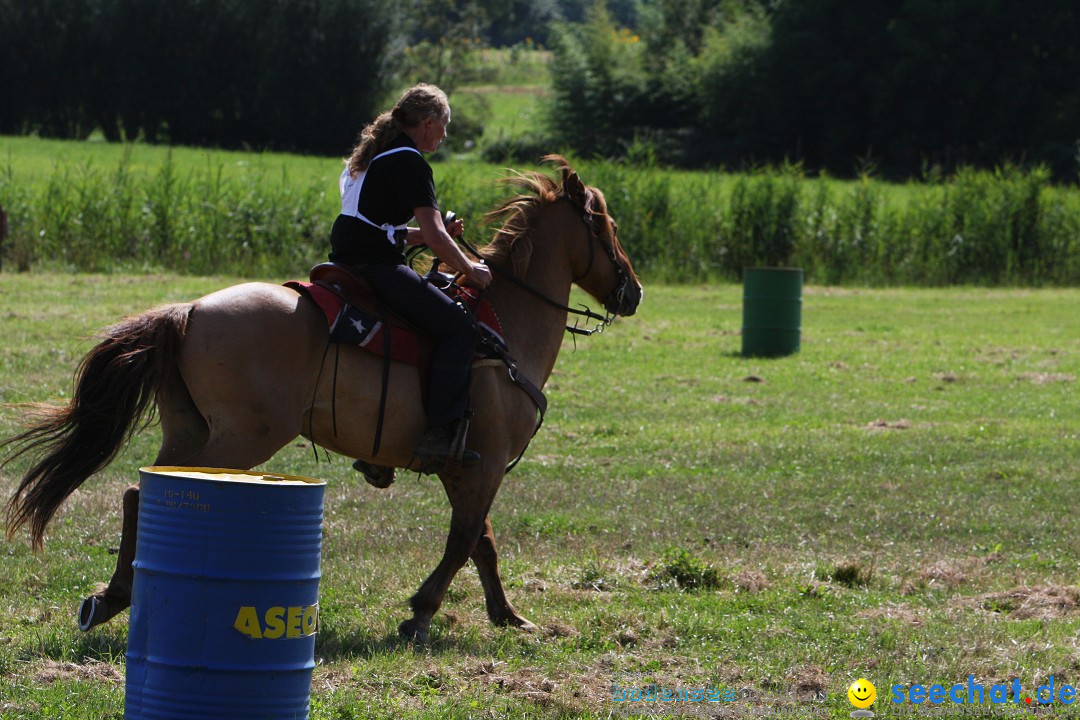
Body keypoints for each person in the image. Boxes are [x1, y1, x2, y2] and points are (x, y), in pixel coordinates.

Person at [329, 83, 491, 471]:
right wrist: (471, 269)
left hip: (348, 262)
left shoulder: (369, 158)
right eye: (444, 126)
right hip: (378, 267)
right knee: (459, 330)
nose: (445, 135)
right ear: (429, 123)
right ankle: (437, 435)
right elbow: (432, 236)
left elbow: (383, 227)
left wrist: (437, 237)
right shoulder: (410, 162)